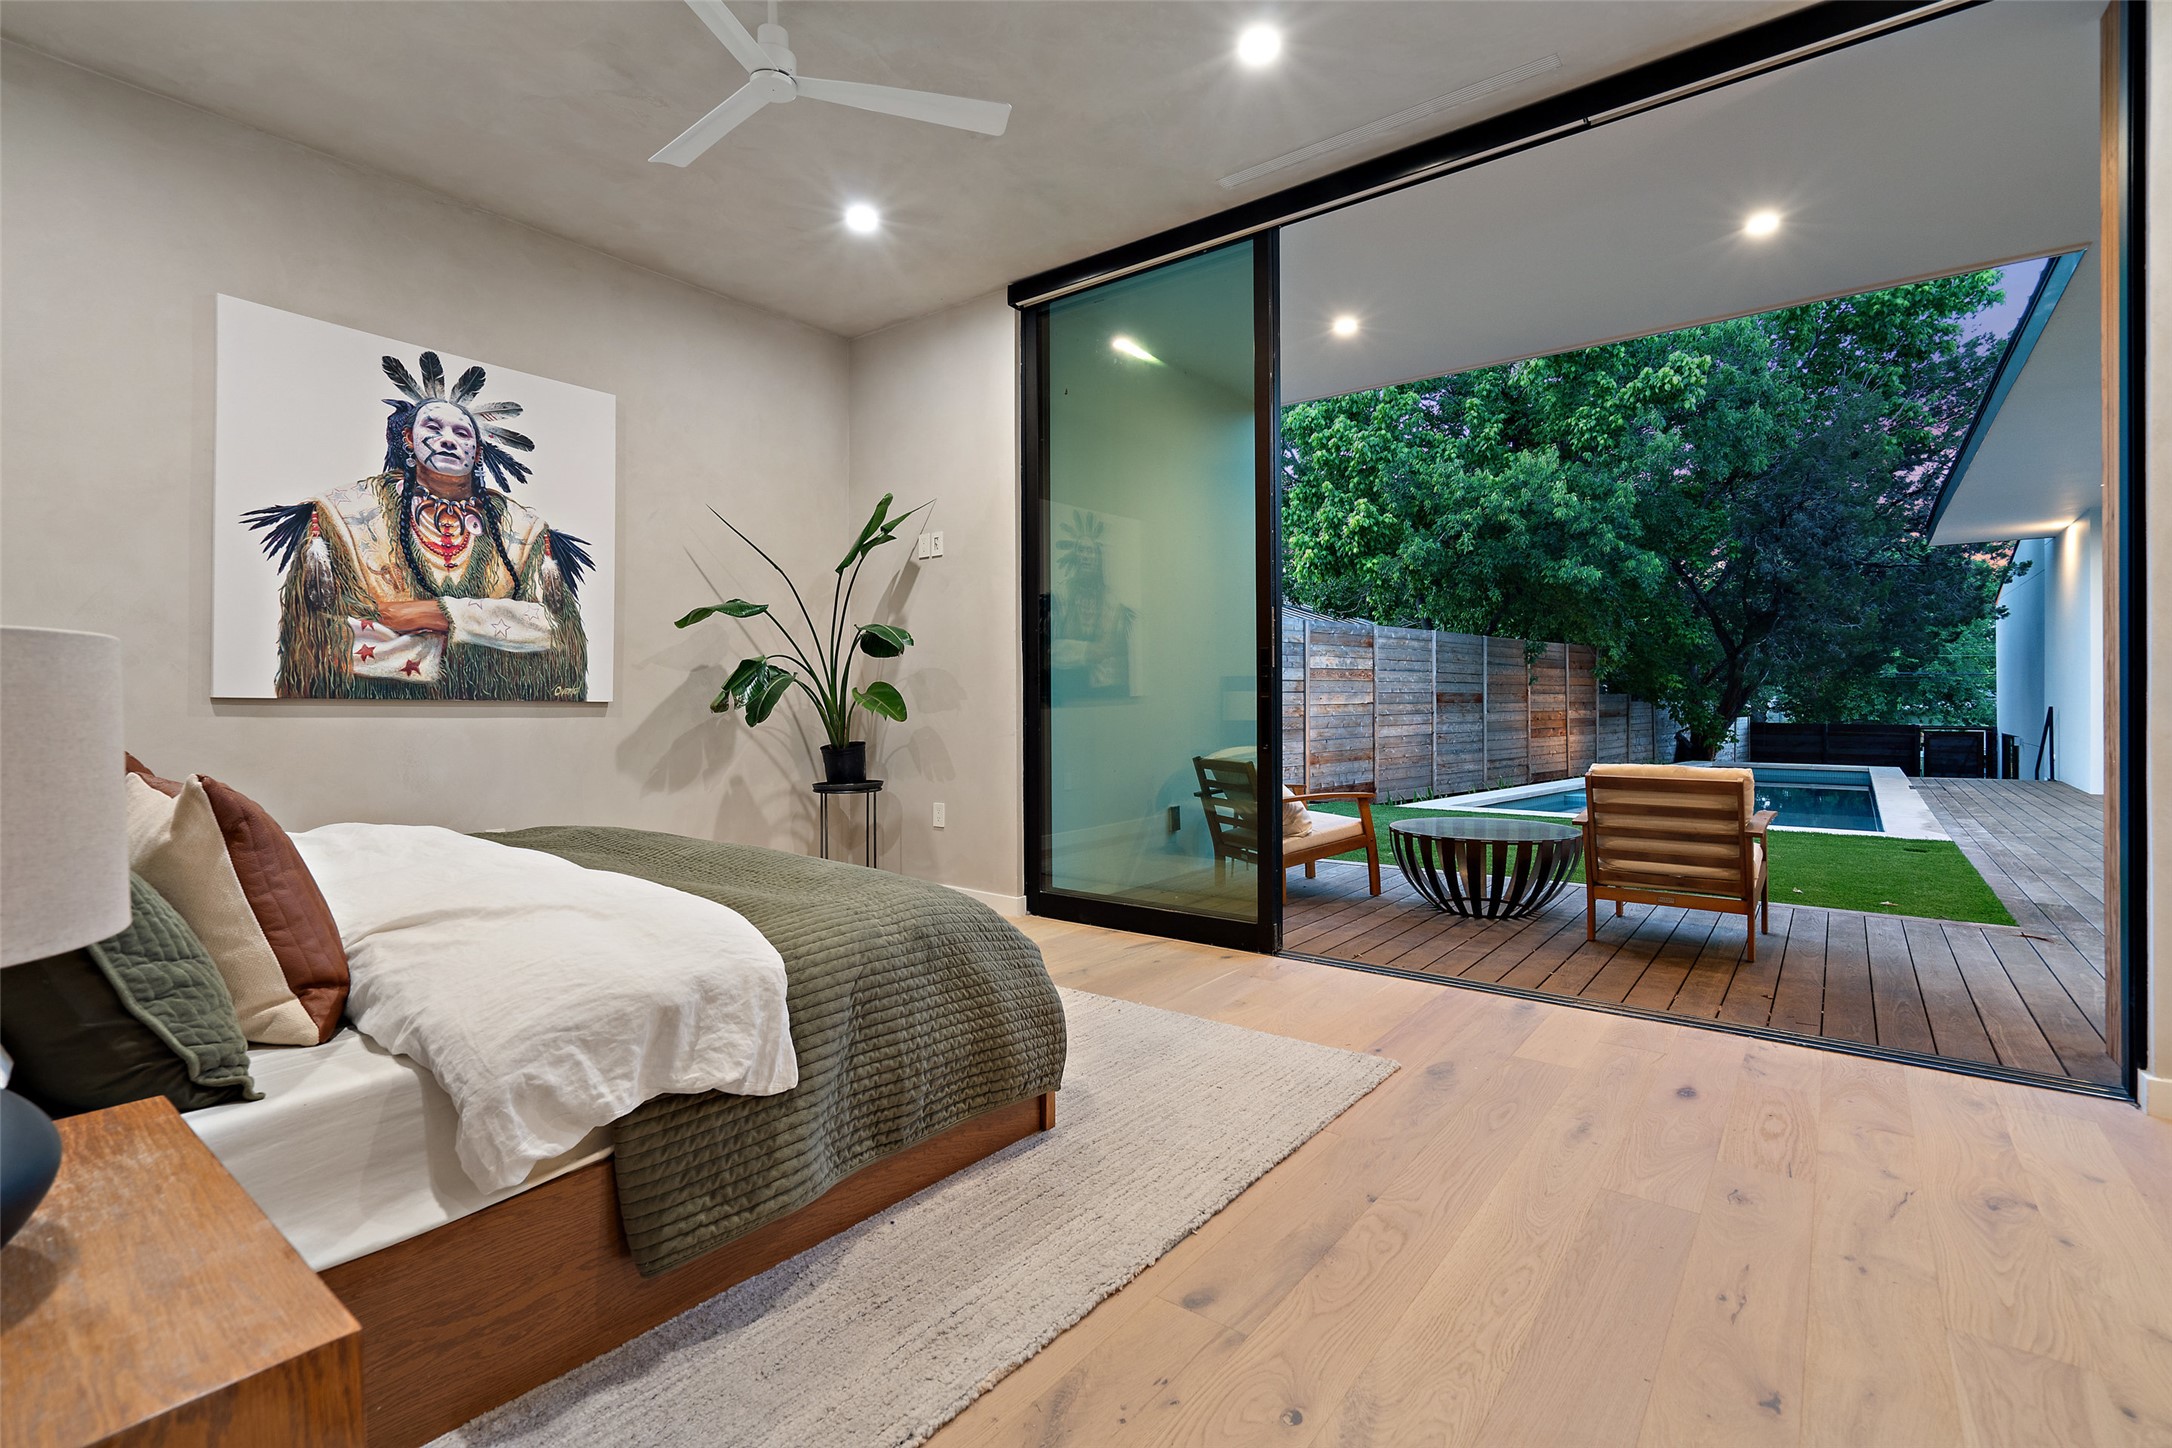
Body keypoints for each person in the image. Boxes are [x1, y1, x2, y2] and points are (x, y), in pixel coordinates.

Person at [244, 351, 592, 700]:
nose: (448, 440)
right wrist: (496, 636)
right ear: (408, 439)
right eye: (433, 428)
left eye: (461, 433)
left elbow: (558, 641)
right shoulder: (346, 515)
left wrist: (438, 615)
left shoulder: (523, 529)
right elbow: (322, 640)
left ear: (479, 452)